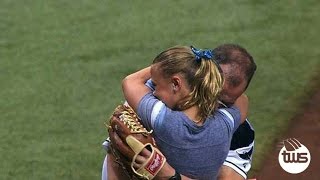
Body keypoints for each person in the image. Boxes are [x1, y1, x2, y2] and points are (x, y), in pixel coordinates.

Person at [102, 44, 257, 180]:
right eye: (209, 87)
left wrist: (170, 175)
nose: (212, 101)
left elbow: (130, 82)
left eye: (223, 101)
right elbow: (115, 157)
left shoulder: (238, 132)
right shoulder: (227, 120)